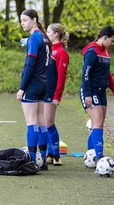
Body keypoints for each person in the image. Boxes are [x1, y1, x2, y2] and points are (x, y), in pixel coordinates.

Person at [80, 26, 114, 162]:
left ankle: (90, 154)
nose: (112, 44)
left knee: (99, 124)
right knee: (97, 122)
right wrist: (87, 94)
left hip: (101, 92)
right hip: (91, 91)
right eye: (111, 41)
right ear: (104, 37)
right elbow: (86, 74)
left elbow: (107, 74)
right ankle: (99, 157)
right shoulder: (92, 52)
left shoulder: (106, 52)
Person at [17, 9, 50, 169]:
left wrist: (22, 88)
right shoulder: (46, 38)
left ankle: (31, 160)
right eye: (21, 20)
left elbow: (30, 65)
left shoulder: (34, 37)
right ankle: (42, 160)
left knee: (32, 123)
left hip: (33, 83)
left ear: (34, 19)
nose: (22, 23)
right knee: (41, 122)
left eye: (25, 20)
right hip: (44, 83)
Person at [44, 23, 69, 166]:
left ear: (56, 34)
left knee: (49, 123)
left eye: (48, 31)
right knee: (44, 123)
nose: (46, 34)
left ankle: (57, 155)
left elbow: (61, 76)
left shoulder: (61, 52)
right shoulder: (48, 49)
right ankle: (49, 154)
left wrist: (57, 95)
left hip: (51, 92)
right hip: (42, 91)